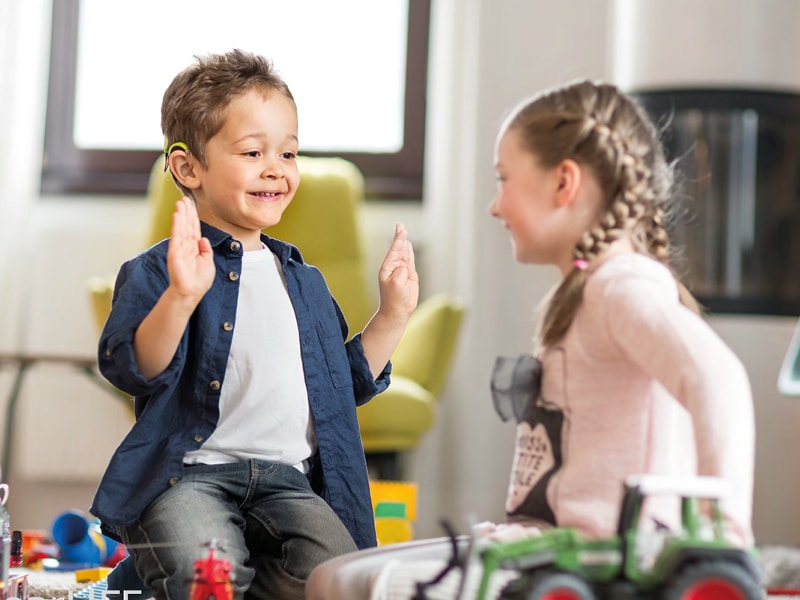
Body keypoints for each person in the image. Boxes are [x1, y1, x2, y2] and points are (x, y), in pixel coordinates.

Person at [306, 79, 755, 599]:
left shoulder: (622, 285)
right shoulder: (587, 290)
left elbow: (718, 378)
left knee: (344, 582)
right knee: (336, 576)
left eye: (504, 180)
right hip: (551, 546)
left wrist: (726, 535)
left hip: (599, 560)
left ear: (564, 183)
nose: (495, 206)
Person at [88, 49, 419, 600]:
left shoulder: (305, 281)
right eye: (252, 151)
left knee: (343, 581)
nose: (277, 168)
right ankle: (165, 570)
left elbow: (345, 385)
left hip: (287, 482)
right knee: (206, 577)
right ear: (188, 167)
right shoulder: (158, 271)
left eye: (288, 152)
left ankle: (150, 578)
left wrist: (393, 315)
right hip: (187, 476)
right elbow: (134, 369)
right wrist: (181, 296)